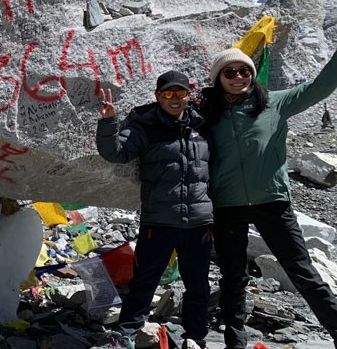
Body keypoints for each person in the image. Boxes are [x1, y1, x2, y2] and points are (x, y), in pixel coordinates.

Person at [201, 47, 337, 349]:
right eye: (230, 72)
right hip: (227, 206)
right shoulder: (207, 112)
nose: (239, 77)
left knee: (304, 274)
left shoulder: (275, 102)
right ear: (218, 79)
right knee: (233, 278)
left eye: (244, 71)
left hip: (273, 203)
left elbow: (321, 87)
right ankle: (235, 342)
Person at [95, 70, 213, 349]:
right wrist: (109, 120)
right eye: (168, 93)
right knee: (145, 280)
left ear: (188, 96)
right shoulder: (145, 126)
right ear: (158, 96)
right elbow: (116, 153)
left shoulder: (203, 127)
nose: (174, 99)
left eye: (180, 93)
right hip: (159, 221)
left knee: (198, 285)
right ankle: (126, 333)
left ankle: (196, 338)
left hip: (198, 223)